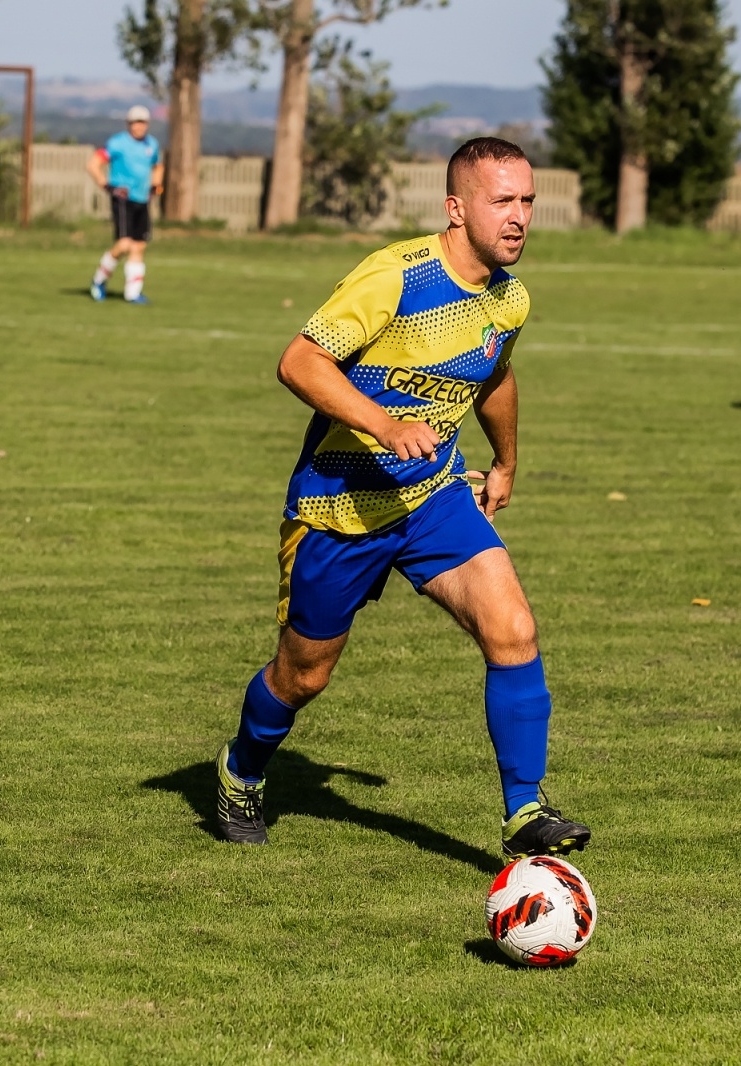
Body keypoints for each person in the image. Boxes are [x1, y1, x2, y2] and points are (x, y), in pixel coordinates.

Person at [214, 137, 591, 862]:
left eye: (528, 202)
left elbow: (494, 374)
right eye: (502, 201)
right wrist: (385, 425)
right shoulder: (397, 277)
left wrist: (507, 460)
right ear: (456, 208)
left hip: (433, 497)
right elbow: (299, 362)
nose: (520, 218)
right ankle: (242, 770)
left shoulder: (509, 299)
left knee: (512, 629)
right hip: (339, 507)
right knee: (304, 675)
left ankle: (524, 811)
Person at [86, 105, 164, 305]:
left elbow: (157, 166)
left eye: (143, 122)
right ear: (129, 124)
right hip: (123, 198)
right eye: (136, 122)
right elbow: (94, 163)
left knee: (139, 245)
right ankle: (99, 280)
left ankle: (133, 292)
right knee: (124, 243)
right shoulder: (117, 143)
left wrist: (156, 186)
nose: (139, 126)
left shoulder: (151, 145)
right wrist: (106, 185)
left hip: (142, 199)